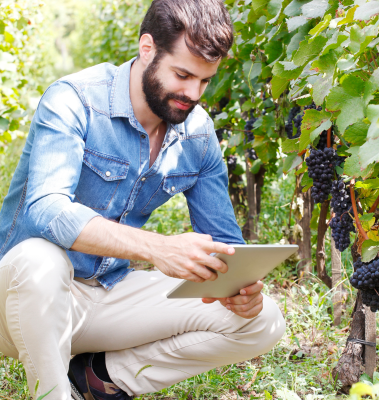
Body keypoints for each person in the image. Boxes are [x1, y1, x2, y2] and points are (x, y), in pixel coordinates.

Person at [0, 1, 286, 398]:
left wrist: (240, 290)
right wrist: (159, 248)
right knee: (39, 260)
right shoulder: (74, 100)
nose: (193, 93)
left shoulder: (198, 134)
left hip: (107, 297)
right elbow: (47, 211)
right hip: (23, 304)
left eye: (204, 81)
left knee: (266, 321)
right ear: (147, 48)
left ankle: (100, 377)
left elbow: (227, 247)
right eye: (183, 75)